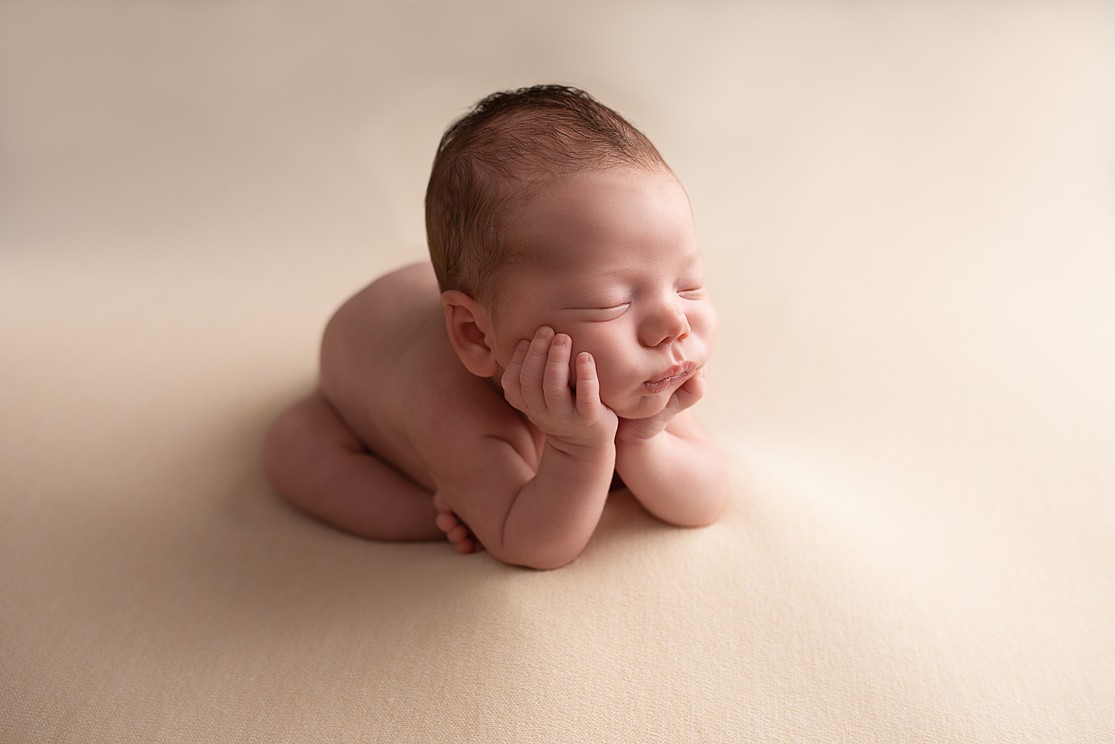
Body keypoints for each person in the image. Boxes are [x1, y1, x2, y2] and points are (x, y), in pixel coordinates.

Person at [262, 85, 728, 569]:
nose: (673, 324)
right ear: (477, 336)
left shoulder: (636, 370)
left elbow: (705, 500)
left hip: (476, 294)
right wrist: (578, 450)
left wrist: (642, 439)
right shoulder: (450, 406)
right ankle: (442, 508)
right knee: (292, 450)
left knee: (502, 270)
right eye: (611, 303)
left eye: (687, 284)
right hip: (358, 364)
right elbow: (531, 543)